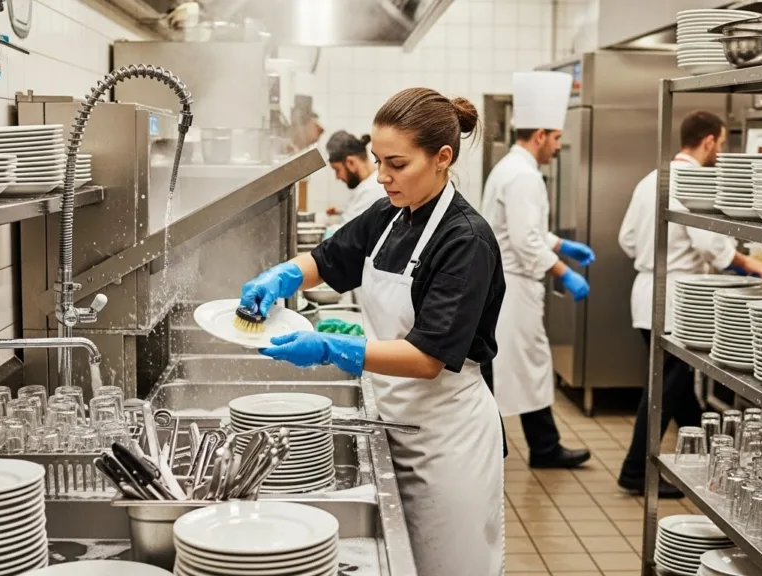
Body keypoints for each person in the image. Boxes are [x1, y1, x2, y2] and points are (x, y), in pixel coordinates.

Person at [240, 88, 506, 576]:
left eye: (397, 164)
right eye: (379, 160)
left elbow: (426, 358)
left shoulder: (465, 240)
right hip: (393, 417)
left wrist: (329, 348)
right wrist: (281, 276)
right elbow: (329, 258)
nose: (382, 176)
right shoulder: (391, 213)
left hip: (447, 441)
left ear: (442, 158)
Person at [617, 110, 762, 498]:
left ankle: (709, 461)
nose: (720, 151)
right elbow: (712, 245)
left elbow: (627, 238)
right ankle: (635, 470)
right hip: (680, 301)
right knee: (665, 389)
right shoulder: (694, 180)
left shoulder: (652, 178)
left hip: (646, 294)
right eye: (721, 144)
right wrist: (750, 265)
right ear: (708, 142)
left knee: (679, 389)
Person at [480, 71, 594, 470]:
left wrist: (561, 245)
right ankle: (518, 448)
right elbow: (525, 241)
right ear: (541, 134)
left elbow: (523, 231)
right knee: (514, 367)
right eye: (557, 138)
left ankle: (542, 446)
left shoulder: (511, 168)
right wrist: (565, 272)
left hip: (510, 283)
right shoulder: (524, 175)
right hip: (515, 286)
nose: (559, 146)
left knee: (521, 367)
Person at [324, 130, 388, 227]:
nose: (337, 177)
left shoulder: (372, 189)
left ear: (351, 163)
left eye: (337, 170)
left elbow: (346, 235)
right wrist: (341, 211)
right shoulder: (368, 185)